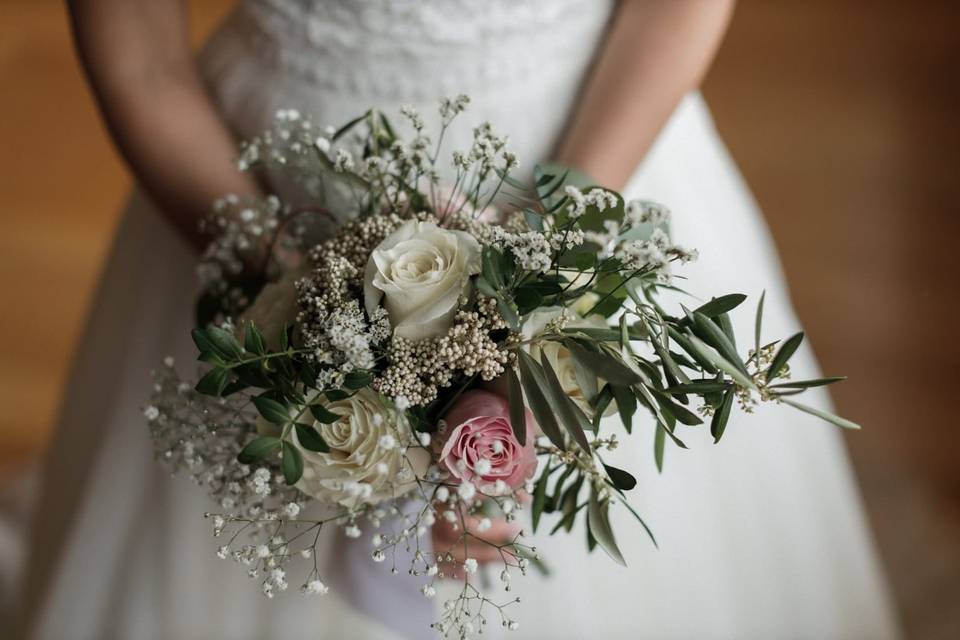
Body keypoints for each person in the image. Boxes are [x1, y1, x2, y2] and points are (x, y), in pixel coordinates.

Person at [9, 0, 899, 637]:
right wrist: (302, 292)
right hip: (258, 176)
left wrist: (543, 267)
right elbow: (136, 49)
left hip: (598, 137)